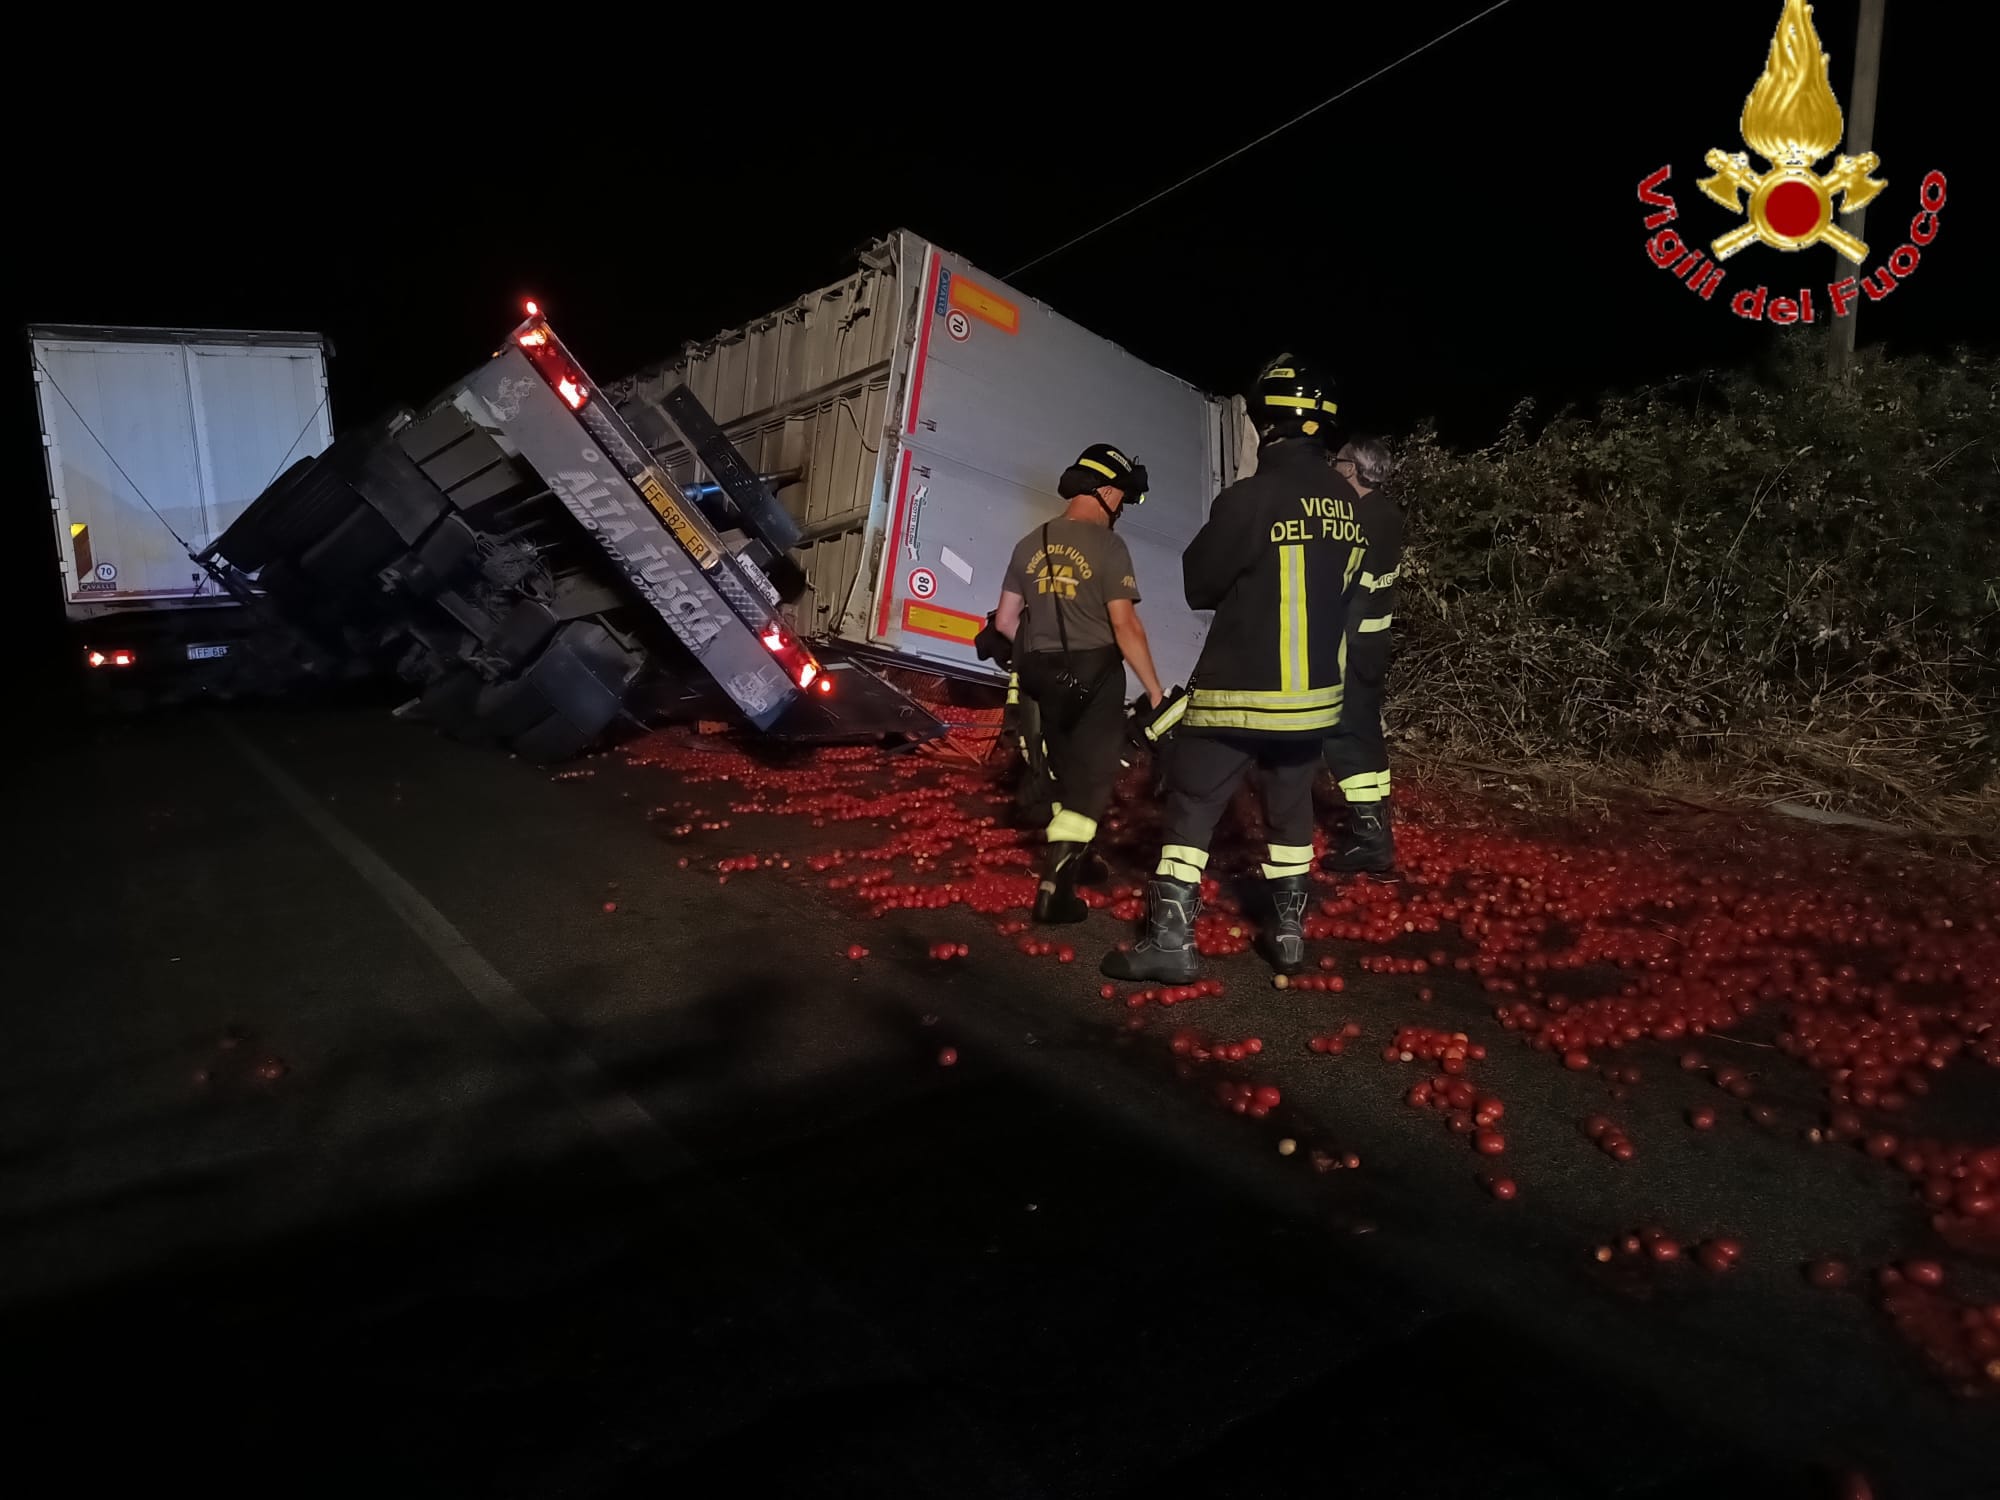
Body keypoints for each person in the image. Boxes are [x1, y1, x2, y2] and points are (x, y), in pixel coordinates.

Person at [1103, 355, 1367, 982]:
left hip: (1238, 695)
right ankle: (1290, 935)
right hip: (1313, 704)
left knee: (1193, 802)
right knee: (1290, 808)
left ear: (1267, 424)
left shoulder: (1248, 499)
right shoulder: (1348, 505)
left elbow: (1200, 582)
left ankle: (1170, 942)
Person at [990, 443, 1166, 924]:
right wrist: (1153, 688)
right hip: (1096, 677)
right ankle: (1054, 888)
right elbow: (1125, 625)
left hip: (1040, 679)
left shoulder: (1030, 542)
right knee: (1092, 782)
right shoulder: (1109, 546)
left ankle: (1082, 860)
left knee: (1065, 774)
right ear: (1108, 491)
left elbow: (1007, 621)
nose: (1122, 510)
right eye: (1123, 500)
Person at [1321, 436, 1403, 874]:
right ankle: (1375, 828)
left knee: (1343, 738)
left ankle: (1372, 839)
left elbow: (1341, 587)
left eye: (1338, 460)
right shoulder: (1389, 515)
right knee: (1367, 735)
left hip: (1347, 648)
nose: (1334, 467)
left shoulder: (1353, 518)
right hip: (1374, 646)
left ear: (1352, 468)